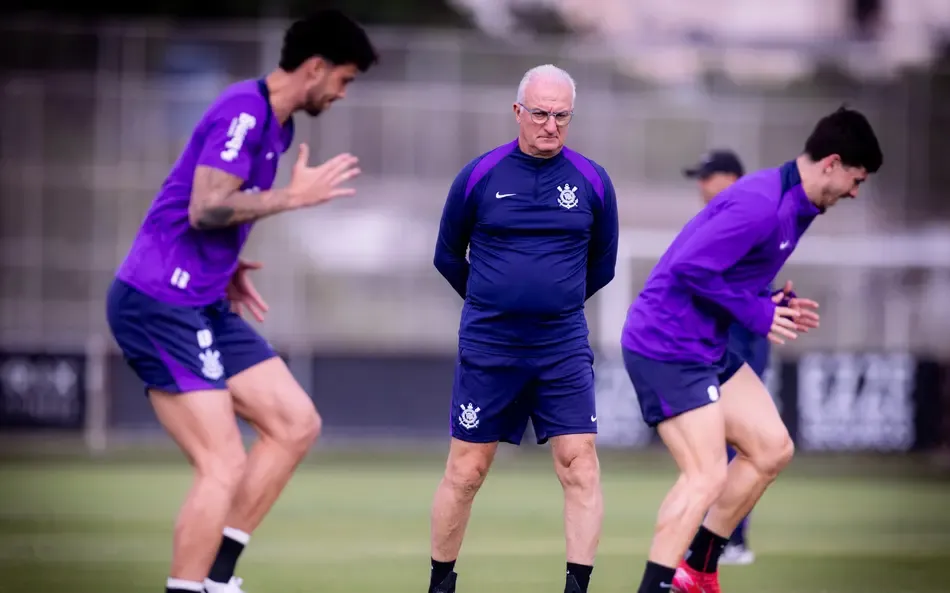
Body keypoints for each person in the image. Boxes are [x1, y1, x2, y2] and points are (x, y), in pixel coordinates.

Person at [105, 11, 378, 593]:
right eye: (345, 79)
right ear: (315, 68)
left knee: (295, 423)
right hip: (159, 300)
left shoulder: (278, 128)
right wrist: (293, 198)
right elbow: (206, 206)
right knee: (223, 463)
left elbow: (212, 216)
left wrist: (225, 268)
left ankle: (217, 576)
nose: (342, 93)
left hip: (202, 298)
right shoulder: (244, 112)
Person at [621, 106, 882, 593]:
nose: (854, 191)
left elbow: (729, 271)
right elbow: (691, 268)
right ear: (832, 162)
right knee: (704, 476)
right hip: (666, 343)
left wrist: (769, 300)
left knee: (771, 448)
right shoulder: (762, 202)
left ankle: (697, 570)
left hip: (704, 344)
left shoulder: (796, 204)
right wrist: (760, 315)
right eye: (856, 178)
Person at [430, 64, 619, 593]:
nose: (551, 124)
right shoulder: (479, 175)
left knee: (579, 465)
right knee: (466, 471)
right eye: (540, 113)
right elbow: (448, 255)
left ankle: (577, 587)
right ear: (518, 112)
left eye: (562, 115)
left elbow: (601, 266)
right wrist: (494, 300)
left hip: (561, 347)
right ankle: (440, 583)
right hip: (490, 345)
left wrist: (551, 304)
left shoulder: (593, 181)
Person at [682, 149, 762, 565]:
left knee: (739, 444)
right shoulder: (722, 220)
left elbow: (744, 286)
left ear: (730, 177)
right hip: (716, 348)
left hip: (740, 349)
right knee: (717, 444)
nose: (701, 184)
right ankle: (724, 538)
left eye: (707, 175)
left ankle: (732, 538)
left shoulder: (744, 220)